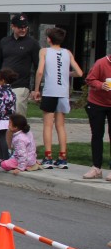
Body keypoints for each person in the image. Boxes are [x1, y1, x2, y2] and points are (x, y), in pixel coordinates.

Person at [32, 26, 82, 168]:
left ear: (49, 39)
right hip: (63, 93)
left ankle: (48, 157)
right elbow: (79, 72)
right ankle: (62, 157)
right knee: (60, 125)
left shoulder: (44, 51)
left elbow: (40, 72)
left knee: (48, 125)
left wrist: (36, 89)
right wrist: (67, 73)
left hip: (50, 92)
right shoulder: (67, 52)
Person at [0, 13, 40, 117]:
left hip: (21, 85)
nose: (23, 30)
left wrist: (36, 89)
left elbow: (38, 66)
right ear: (12, 26)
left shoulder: (33, 43)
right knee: (2, 116)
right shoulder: (4, 41)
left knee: (17, 117)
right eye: (20, 27)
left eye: (25, 27)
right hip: (3, 85)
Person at [82, 53, 111, 180]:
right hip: (97, 103)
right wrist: (101, 85)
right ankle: (96, 168)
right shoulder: (101, 63)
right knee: (97, 134)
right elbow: (90, 79)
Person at [0, 69, 18, 167]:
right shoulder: (11, 92)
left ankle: (5, 158)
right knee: (0, 137)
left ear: (3, 80)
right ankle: (1, 157)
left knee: (1, 138)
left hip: (1, 118)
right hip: (8, 118)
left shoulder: (1, 93)